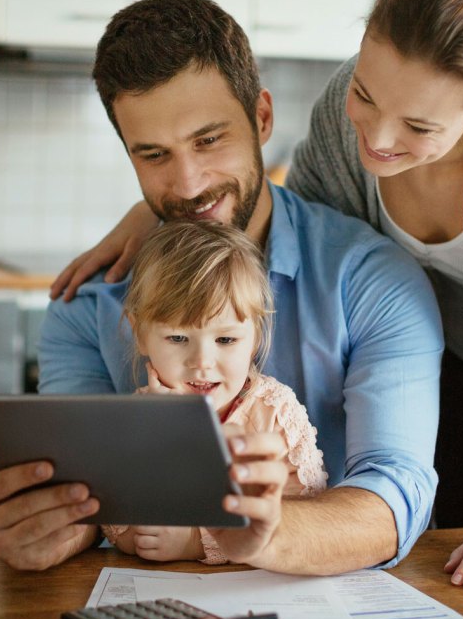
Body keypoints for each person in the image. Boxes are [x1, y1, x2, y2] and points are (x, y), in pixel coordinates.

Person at [49, 0, 463, 592]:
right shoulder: (339, 116)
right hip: (452, 358)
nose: (376, 141)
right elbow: (295, 229)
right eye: (366, 96)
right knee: (452, 551)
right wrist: (169, 221)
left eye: (419, 128)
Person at [0, 0, 445, 575]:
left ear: (262, 118)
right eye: (154, 154)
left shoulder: (372, 281)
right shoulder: (88, 304)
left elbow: (396, 495)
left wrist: (263, 535)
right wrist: (46, 529)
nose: (188, 183)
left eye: (208, 140)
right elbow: (87, 499)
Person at [103, 220, 327, 564]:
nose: (202, 362)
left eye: (226, 339)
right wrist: (137, 537)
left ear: (255, 336)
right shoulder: (135, 420)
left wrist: (197, 542)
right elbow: (116, 517)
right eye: (178, 338)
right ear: (141, 334)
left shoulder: (275, 412)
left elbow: (304, 512)